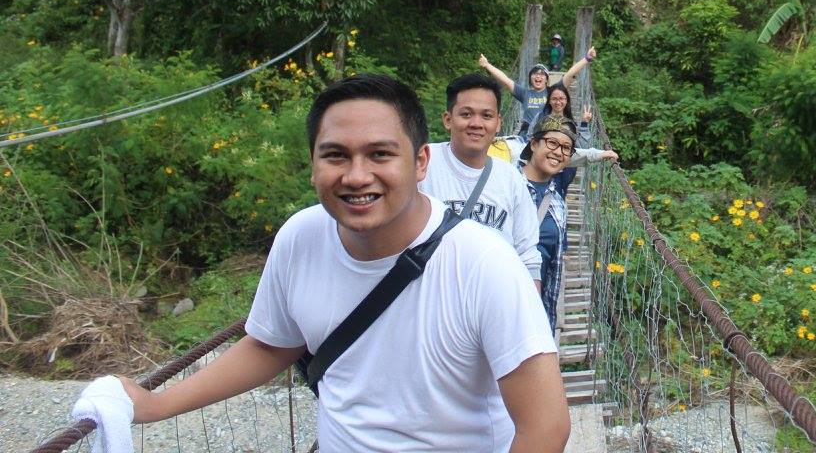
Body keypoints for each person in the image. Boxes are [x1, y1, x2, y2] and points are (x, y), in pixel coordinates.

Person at [115, 73, 568, 453]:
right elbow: (272, 344)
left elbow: (546, 425)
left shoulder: (485, 264)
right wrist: (155, 405)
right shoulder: (301, 237)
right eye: (335, 155)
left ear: (420, 162)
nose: (356, 176)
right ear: (313, 165)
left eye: (380, 154)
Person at [419, 73, 542, 287]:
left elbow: (528, 257)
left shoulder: (511, 179)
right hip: (428, 294)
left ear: (498, 123)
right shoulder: (421, 163)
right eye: (466, 114)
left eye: (487, 115)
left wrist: (533, 306)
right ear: (448, 119)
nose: (476, 123)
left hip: (493, 297)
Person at [519, 115, 618, 332]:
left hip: (536, 314)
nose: (558, 152)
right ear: (533, 144)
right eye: (551, 143)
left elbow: (551, 265)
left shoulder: (557, 201)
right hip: (501, 306)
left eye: (565, 148)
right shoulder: (505, 184)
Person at [478, 46, 597, 136]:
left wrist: (587, 58)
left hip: (546, 132)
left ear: (546, 79)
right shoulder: (524, 93)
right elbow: (505, 80)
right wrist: (487, 65)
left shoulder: (552, 92)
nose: (538, 76)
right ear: (530, 78)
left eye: (541, 74)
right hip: (526, 134)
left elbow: (570, 74)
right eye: (534, 74)